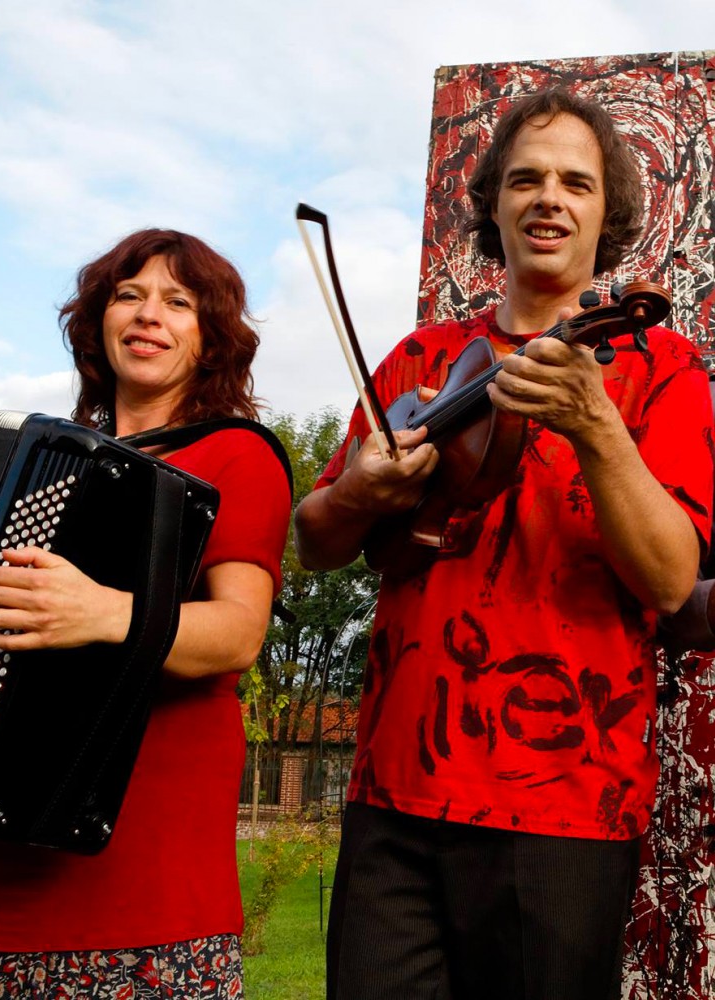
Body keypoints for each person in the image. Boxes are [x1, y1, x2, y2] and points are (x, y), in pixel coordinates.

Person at [294, 89, 714, 1000]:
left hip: (568, 805)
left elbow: (673, 575)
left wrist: (597, 429)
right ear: (491, 204)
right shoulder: (420, 360)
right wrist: (363, 491)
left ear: (609, 213)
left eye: (575, 181)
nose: (548, 198)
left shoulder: (663, 371)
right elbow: (313, 540)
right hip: (392, 795)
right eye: (524, 179)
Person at [0, 229, 291, 999]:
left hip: (146, 877)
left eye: (179, 303)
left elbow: (236, 635)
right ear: (98, 323)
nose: (150, 315)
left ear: (211, 337)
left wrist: (105, 610)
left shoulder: (236, 456)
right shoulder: (48, 465)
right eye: (129, 295)